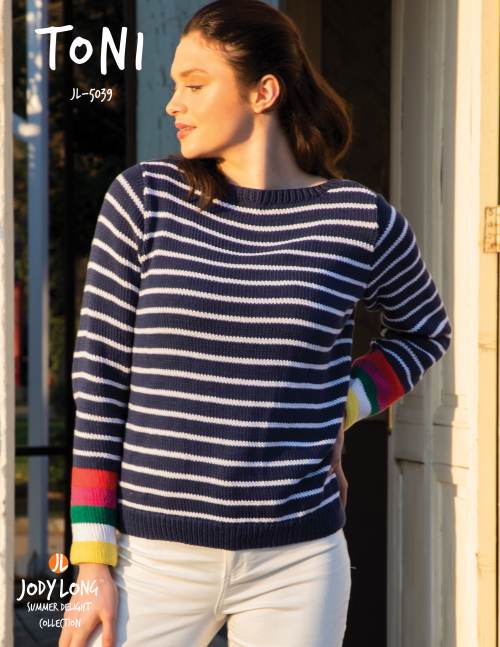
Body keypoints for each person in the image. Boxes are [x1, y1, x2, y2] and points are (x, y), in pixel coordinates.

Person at [59, 1, 452, 646]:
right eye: (174, 85)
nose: (174, 105)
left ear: (263, 92)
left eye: (195, 85)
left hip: (297, 564)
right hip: (148, 561)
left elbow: (424, 330)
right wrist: (92, 563)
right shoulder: (144, 199)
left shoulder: (358, 219)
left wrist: (338, 408)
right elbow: (99, 384)